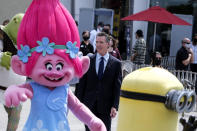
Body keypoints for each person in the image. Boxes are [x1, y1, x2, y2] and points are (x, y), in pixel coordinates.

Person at [4, 0, 106, 130]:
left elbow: (77, 107)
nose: (54, 72)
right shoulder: (33, 87)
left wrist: (92, 120)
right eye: (47, 65)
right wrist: (14, 91)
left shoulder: (64, 90)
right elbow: (20, 89)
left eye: (59, 66)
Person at [76, 32, 122, 131]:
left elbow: (117, 87)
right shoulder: (88, 60)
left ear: (108, 44)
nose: (98, 45)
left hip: (106, 108)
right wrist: (79, 104)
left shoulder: (116, 64)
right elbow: (81, 84)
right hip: (89, 106)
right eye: (96, 42)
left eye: (101, 42)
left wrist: (115, 106)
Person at [0, 13, 25, 131]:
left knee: (14, 118)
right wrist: (1, 57)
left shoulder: (23, 43)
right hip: (0, 88)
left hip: (15, 91)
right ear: (15, 21)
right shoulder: (1, 36)